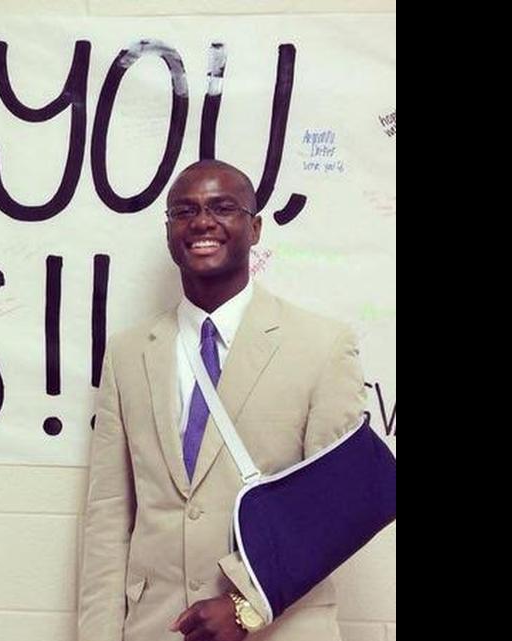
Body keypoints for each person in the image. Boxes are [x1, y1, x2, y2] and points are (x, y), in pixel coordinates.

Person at [78, 160, 366, 641]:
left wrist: (246, 607)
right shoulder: (128, 353)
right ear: (170, 230)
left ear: (254, 228)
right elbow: (108, 514)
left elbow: (338, 509)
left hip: (280, 627)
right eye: (184, 211)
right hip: (156, 628)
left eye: (222, 207)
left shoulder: (322, 345)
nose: (202, 222)